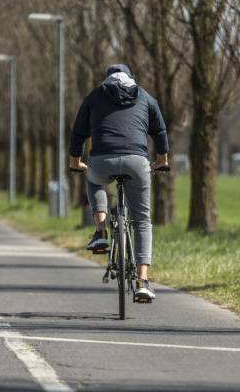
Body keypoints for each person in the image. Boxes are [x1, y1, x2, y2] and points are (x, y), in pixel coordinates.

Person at [68, 64, 169, 302]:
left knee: (93, 179)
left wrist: (76, 163)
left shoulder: (94, 96)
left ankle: (101, 231)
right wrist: (162, 161)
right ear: (130, 77)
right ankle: (143, 281)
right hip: (137, 162)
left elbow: (78, 133)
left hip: (102, 161)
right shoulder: (144, 96)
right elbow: (160, 131)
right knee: (142, 220)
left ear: (107, 79)